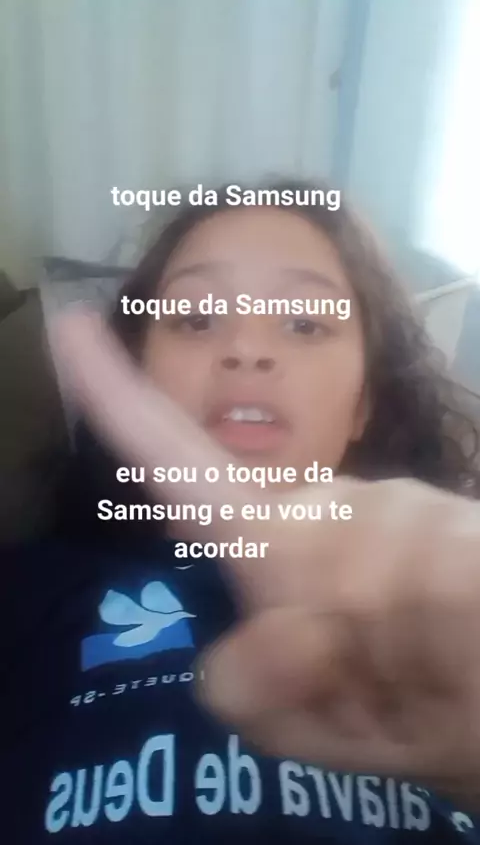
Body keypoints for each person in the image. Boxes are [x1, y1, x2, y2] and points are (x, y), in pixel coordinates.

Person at [3, 180, 480, 843]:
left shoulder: (454, 603)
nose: (247, 349)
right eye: (197, 319)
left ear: (363, 405)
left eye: (305, 323)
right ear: (139, 375)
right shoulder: (26, 588)